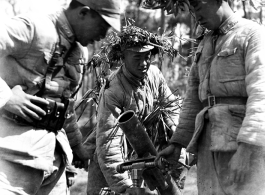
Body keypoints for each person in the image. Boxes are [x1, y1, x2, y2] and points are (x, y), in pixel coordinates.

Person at [0, 0, 121, 194]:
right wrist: (6, 97)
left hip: (53, 163)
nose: (103, 35)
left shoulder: (78, 51)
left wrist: (76, 146)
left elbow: (65, 106)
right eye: (102, 25)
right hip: (12, 161)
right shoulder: (34, 27)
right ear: (83, 13)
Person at [156, 0, 265, 194]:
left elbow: (261, 94)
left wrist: (247, 149)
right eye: (191, 9)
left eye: (197, 6)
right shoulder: (204, 44)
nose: (195, 16)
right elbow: (193, 99)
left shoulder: (252, 34)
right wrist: (178, 143)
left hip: (240, 145)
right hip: (207, 143)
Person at [85, 24, 186, 195]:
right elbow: (109, 145)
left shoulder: (154, 75)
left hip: (147, 158)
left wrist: (176, 141)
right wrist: (124, 188)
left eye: (147, 57)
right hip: (116, 168)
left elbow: (172, 109)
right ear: (123, 58)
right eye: (137, 58)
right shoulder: (113, 90)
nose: (144, 63)